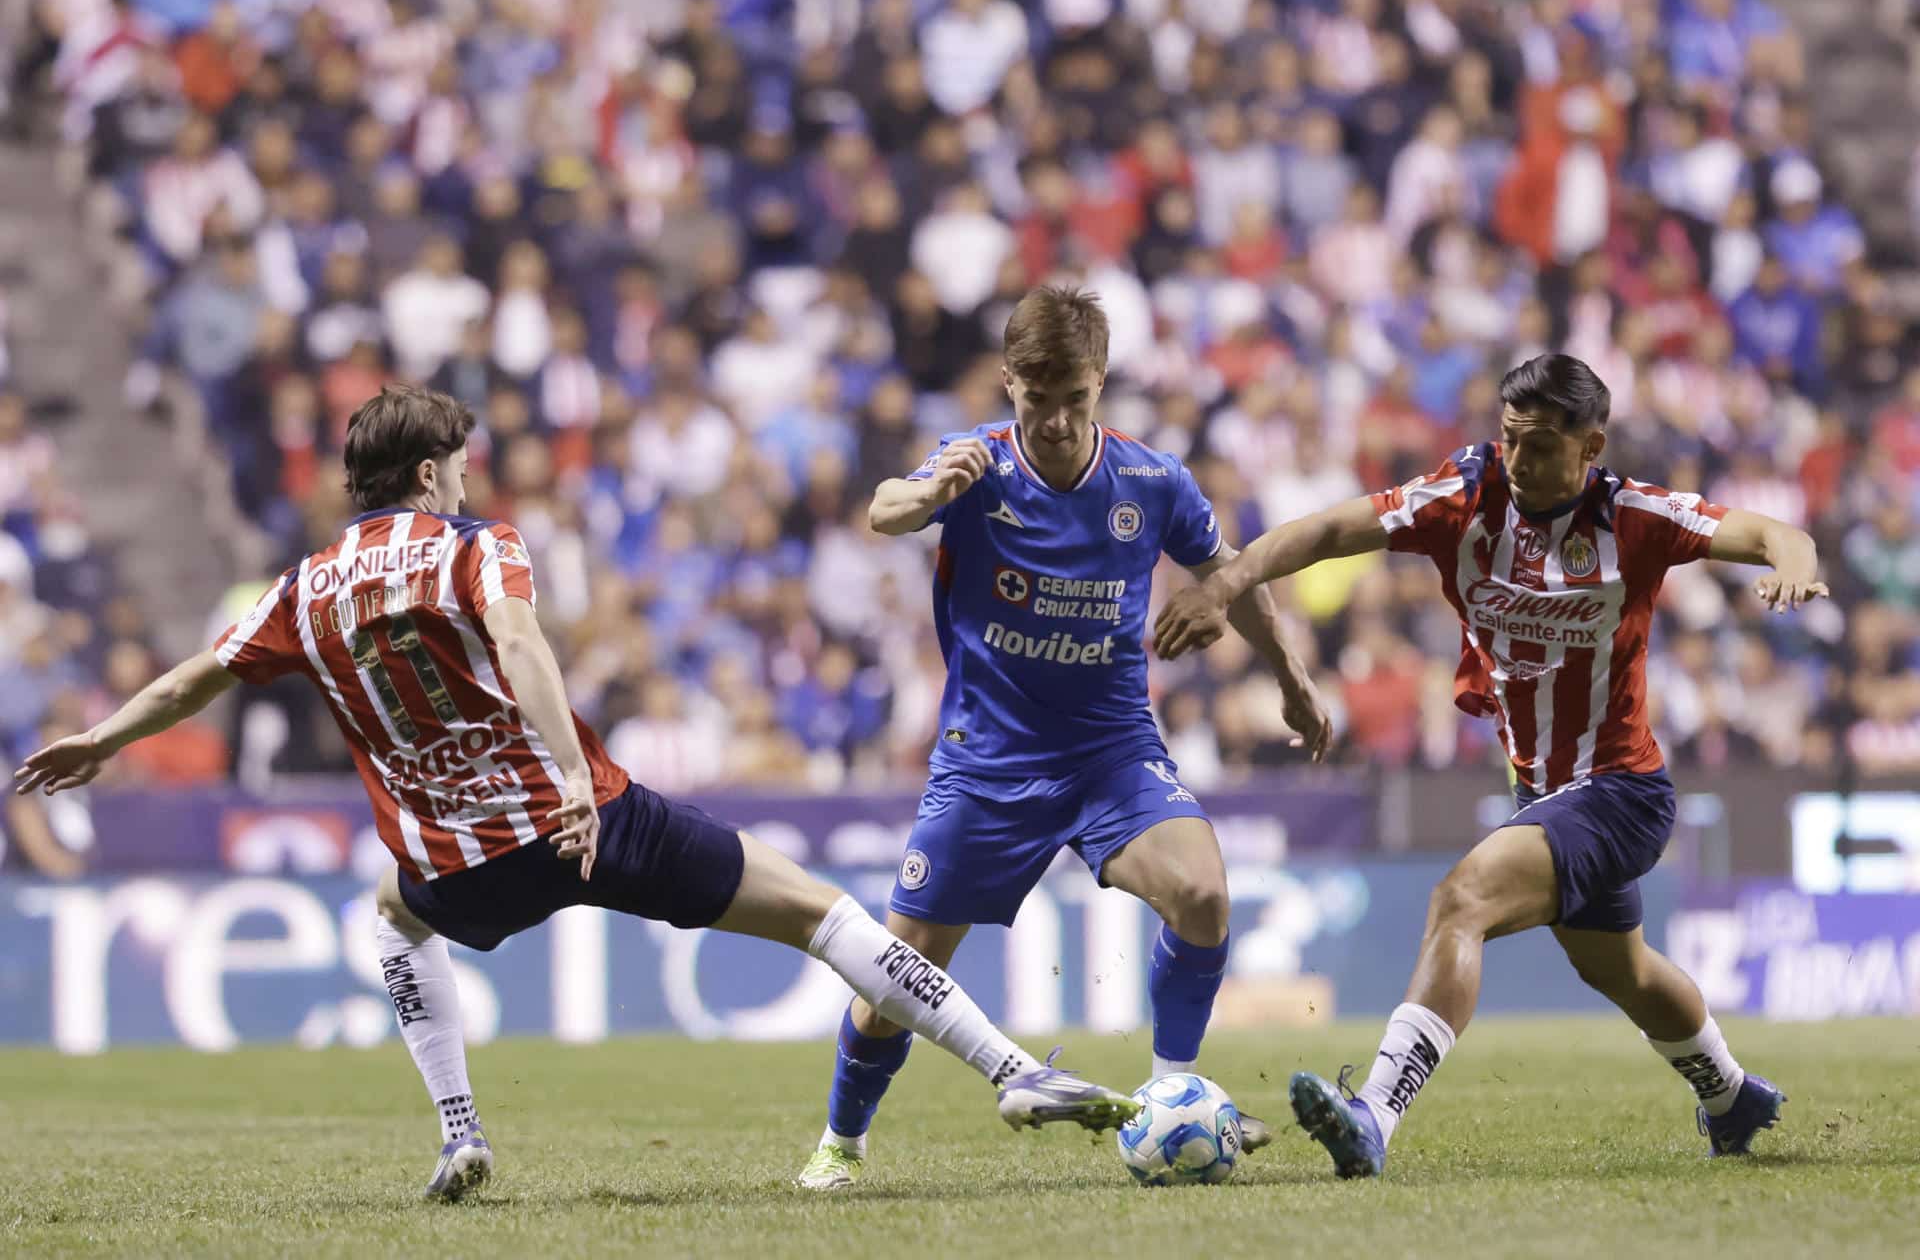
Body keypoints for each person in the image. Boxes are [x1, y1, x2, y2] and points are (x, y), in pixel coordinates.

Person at [12, 386, 1141, 1203]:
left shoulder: (302, 587)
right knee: (819, 911)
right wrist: (566, 781)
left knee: (393, 917)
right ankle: (1012, 1070)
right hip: (589, 821)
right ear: (427, 475)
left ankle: (460, 1129)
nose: (466, 478)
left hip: (458, 869)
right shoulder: (474, 547)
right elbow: (519, 642)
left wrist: (101, 739)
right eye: (457, 463)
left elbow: (192, 678)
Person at [1154, 353, 1818, 1177]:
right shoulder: (1463, 497)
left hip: (1621, 792)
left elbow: (1770, 533)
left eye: (1541, 445)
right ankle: (1732, 1096)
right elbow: (1327, 531)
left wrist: (1793, 564)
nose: (1519, 459)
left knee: (1460, 899)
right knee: (1623, 971)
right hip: (1540, 791)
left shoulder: (1634, 516)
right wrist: (1225, 586)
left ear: (1591, 447)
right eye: (1510, 438)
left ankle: (1372, 1116)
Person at [795, 286, 1332, 1190]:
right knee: (894, 979)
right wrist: (930, 490)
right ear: (1008, 381)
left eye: (1073, 399)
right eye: (1035, 398)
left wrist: (1291, 679)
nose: (1053, 421)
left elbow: (1229, 576)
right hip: (989, 761)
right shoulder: (977, 465)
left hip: (1111, 751)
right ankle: (840, 1143)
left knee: (1202, 893)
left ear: (1101, 381)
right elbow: (885, 510)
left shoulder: (1152, 482)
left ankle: (1170, 1094)